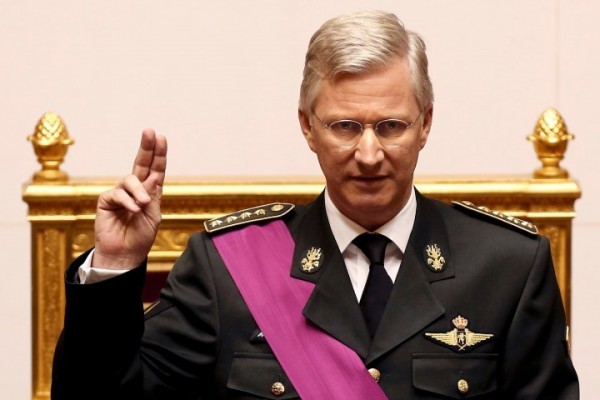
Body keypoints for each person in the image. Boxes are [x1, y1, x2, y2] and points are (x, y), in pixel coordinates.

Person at [51, 10, 579, 400]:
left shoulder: (508, 267)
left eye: (391, 126)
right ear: (307, 126)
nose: (368, 154)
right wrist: (116, 264)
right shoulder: (226, 268)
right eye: (344, 126)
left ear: (426, 124)